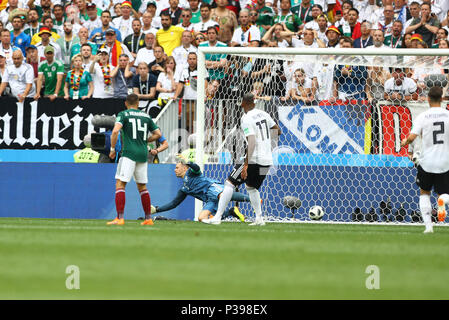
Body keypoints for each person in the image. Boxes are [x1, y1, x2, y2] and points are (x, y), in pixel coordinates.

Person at [202, 92, 281, 226]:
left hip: (254, 159)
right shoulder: (264, 114)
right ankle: (259, 218)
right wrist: (265, 140)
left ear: (244, 103)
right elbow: (278, 130)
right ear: (254, 102)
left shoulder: (246, 118)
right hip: (267, 160)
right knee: (251, 188)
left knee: (229, 183)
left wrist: (246, 165)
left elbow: (252, 141)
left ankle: (217, 217)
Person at [107, 93, 162, 226]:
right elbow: (158, 134)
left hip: (129, 153)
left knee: (120, 184)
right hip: (143, 154)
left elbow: (115, 131)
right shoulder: (146, 116)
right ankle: (148, 218)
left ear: (126, 103)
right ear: (138, 103)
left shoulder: (123, 114)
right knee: (142, 186)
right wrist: (145, 140)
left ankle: (120, 218)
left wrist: (112, 149)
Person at [400, 86, 449, 233]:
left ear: (428, 99)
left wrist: (405, 142)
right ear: (442, 99)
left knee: (424, 192)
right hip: (445, 162)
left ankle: (428, 227)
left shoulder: (423, 116)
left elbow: (412, 136)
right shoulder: (447, 115)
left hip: (426, 161)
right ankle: (443, 201)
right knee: (444, 193)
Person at [151, 156, 248, 221]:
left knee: (222, 195)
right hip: (210, 199)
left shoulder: (191, 173)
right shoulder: (184, 189)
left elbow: (197, 168)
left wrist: (188, 162)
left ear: (185, 168)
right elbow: (173, 203)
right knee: (202, 218)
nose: (174, 170)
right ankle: (231, 211)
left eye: (177, 167)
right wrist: (156, 209)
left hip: (213, 188)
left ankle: (250, 199)